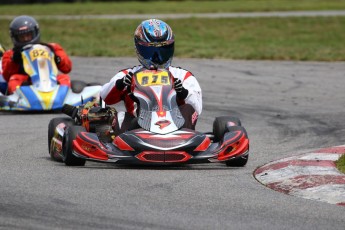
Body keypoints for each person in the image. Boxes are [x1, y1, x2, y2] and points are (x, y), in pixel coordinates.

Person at [100, 19, 202, 134]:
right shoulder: (127, 75)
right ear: (139, 49)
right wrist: (120, 84)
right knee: (121, 116)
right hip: (137, 130)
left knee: (188, 109)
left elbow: (196, 108)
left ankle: (184, 137)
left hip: (177, 128)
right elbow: (104, 97)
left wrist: (182, 93)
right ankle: (126, 144)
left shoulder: (183, 76)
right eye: (151, 51)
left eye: (162, 50)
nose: (157, 57)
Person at [1, 15, 72, 94]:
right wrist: (14, 61)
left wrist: (58, 59)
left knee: (64, 78)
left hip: (50, 80)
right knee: (14, 80)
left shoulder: (53, 48)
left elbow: (67, 68)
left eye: (28, 35)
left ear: (35, 33)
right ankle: (22, 100)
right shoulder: (10, 54)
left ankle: (61, 97)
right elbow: (7, 77)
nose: (26, 39)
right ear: (15, 37)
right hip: (27, 83)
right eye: (22, 36)